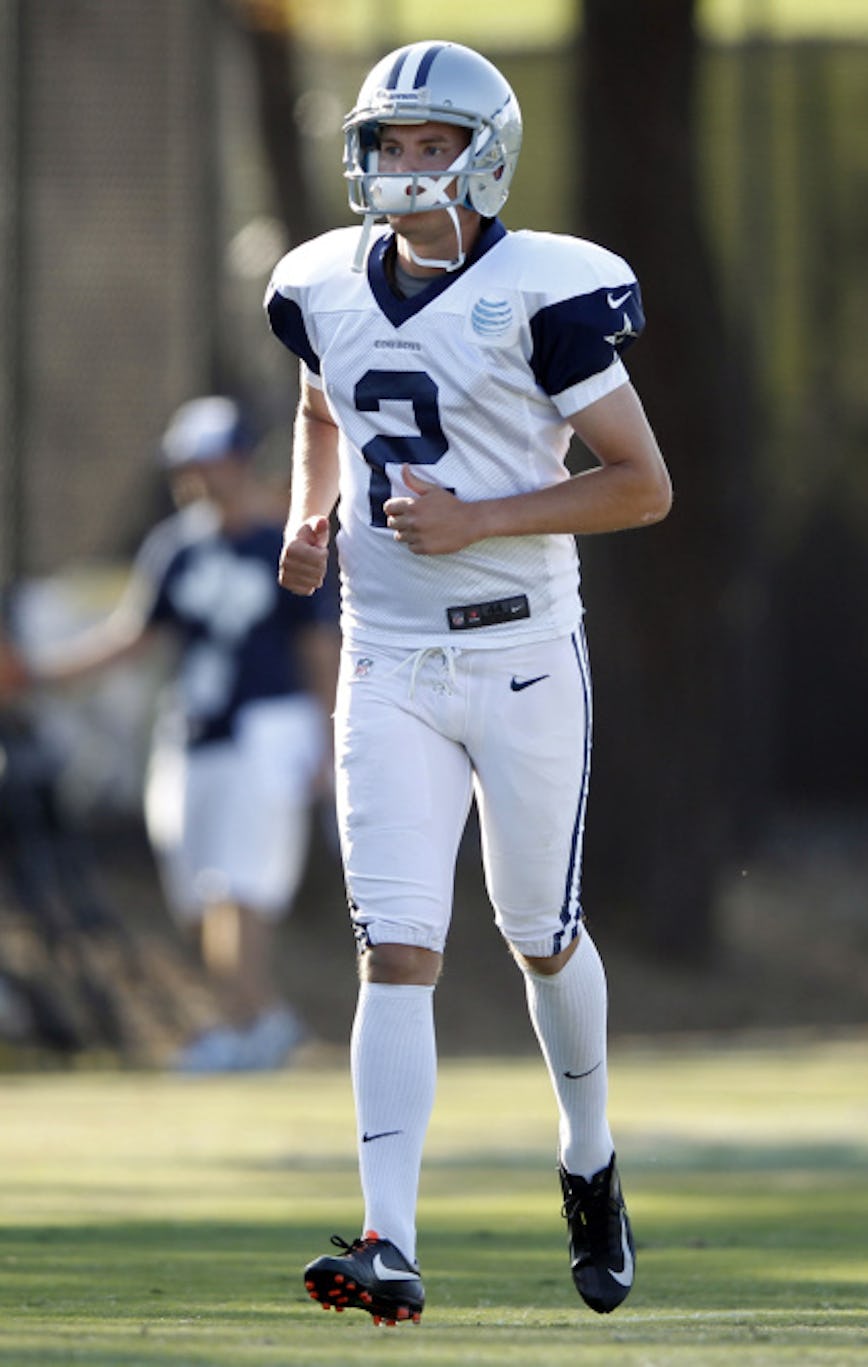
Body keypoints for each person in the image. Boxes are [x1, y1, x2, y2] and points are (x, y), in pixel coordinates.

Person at [265, 40, 672, 1323]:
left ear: (484, 159)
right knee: (396, 946)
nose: (404, 164)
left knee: (540, 933)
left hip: (520, 653)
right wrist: (311, 514)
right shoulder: (321, 282)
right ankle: (388, 1238)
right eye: (389, 142)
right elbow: (322, 407)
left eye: (431, 144)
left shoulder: (542, 292)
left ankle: (589, 1159)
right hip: (386, 657)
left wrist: (480, 518)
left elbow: (641, 484)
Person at [0, 397, 339, 1071]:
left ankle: (241, 1023)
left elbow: (318, 648)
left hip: (268, 726)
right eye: (186, 466)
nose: (196, 478)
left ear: (239, 460)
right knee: (198, 888)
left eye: (207, 462)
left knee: (242, 886)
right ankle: (261, 1019)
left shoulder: (284, 539)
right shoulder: (177, 547)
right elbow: (132, 637)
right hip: (193, 727)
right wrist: (37, 673)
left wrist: (330, 739)